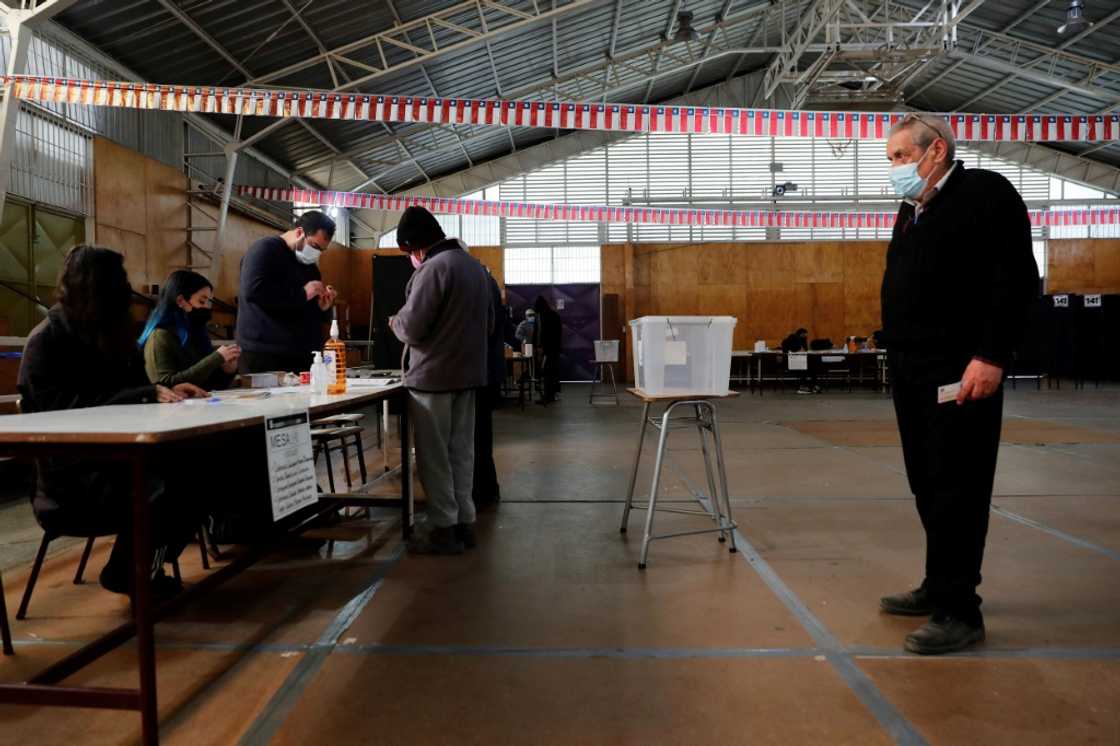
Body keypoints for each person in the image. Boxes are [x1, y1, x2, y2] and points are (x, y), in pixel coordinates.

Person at [879, 113, 1039, 655]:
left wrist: (992, 356)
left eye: (902, 157)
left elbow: (1014, 278)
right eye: (891, 160)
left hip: (961, 371)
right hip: (912, 371)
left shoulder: (985, 193)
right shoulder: (914, 209)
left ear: (937, 150)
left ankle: (960, 611)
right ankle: (938, 583)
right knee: (926, 482)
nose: (896, 169)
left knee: (958, 486)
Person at [17, 246, 207, 599]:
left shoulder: (118, 336)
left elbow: (138, 390)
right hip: (72, 480)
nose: (127, 289)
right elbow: (58, 417)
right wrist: (142, 395)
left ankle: (138, 565)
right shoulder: (46, 342)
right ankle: (129, 570)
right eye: (119, 281)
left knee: (204, 468)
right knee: (173, 486)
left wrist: (162, 390)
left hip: (123, 461)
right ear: (96, 287)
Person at [390, 206, 493, 554]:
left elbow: (413, 327)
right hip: (468, 376)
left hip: (432, 380)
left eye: (408, 252)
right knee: (462, 455)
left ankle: (442, 529)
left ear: (416, 247)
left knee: (434, 459)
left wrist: (394, 321)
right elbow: (490, 325)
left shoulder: (434, 268)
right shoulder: (474, 267)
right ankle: (465, 522)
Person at [236, 210, 338, 374]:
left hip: (301, 354)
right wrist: (303, 293)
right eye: (314, 246)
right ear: (299, 232)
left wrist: (321, 308)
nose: (316, 253)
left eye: (321, 250)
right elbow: (253, 291)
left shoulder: (310, 268)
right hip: (265, 354)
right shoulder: (264, 250)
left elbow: (301, 307)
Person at [140, 270, 239, 390]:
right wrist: (215, 358)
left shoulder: (195, 333)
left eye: (208, 302)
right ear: (181, 301)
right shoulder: (160, 336)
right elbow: (164, 385)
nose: (206, 307)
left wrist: (227, 370)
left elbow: (208, 385)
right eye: (201, 301)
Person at [473, 268, 505, 509]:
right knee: (482, 435)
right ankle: (487, 490)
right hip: (488, 372)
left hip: (477, 373)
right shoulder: (488, 281)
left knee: (476, 437)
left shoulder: (477, 282)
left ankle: (481, 492)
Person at [533, 297, 562, 405]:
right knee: (553, 372)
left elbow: (544, 334)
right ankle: (552, 395)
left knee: (547, 373)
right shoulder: (554, 315)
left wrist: (540, 348)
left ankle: (547, 397)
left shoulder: (545, 316)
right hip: (555, 349)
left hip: (548, 350)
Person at [781, 328, 819, 394]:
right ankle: (805, 387)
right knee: (809, 368)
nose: (806, 337)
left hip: (797, 361)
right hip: (792, 362)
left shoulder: (800, 339)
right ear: (801, 334)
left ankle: (810, 386)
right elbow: (796, 349)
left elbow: (805, 350)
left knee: (811, 367)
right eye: (805, 335)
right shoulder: (794, 338)